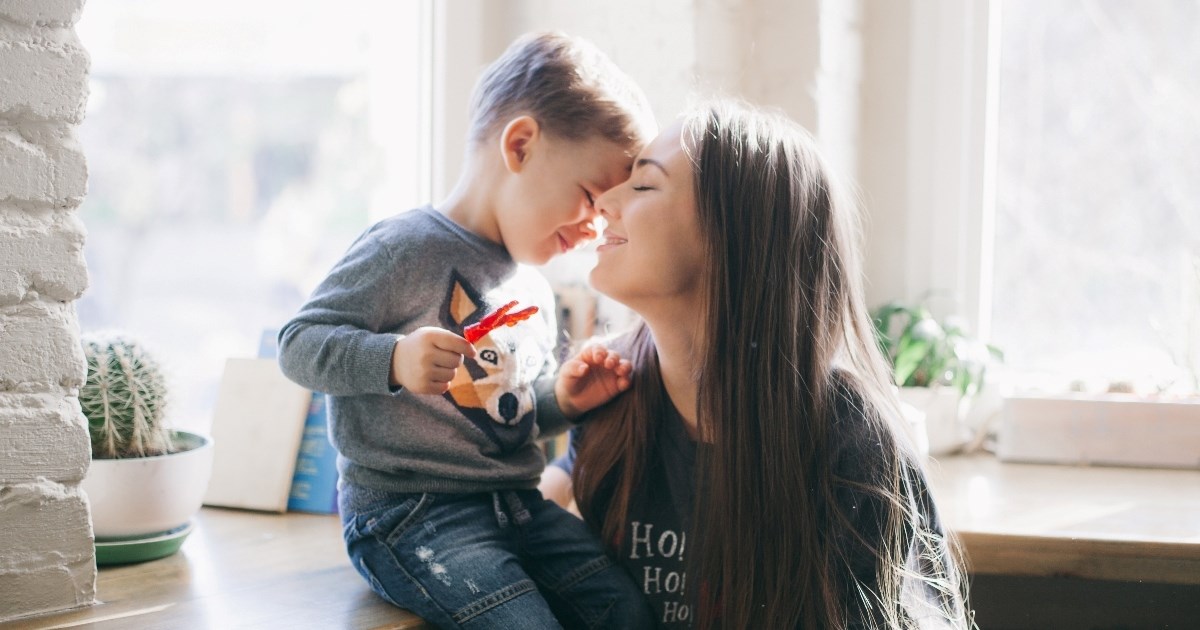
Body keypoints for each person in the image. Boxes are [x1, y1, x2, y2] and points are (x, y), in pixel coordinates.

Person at [541, 100, 974, 629]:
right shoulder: (611, 402)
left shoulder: (855, 449)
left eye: (644, 185)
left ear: (734, 238)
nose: (602, 202)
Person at [278, 32, 657, 629]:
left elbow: (502, 416)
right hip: (409, 514)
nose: (593, 229)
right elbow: (297, 343)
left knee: (627, 610)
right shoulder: (403, 249)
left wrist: (560, 399)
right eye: (589, 196)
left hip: (517, 507)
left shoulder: (529, 284)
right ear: (521, 145)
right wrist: (394, 359)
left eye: (604, 211)